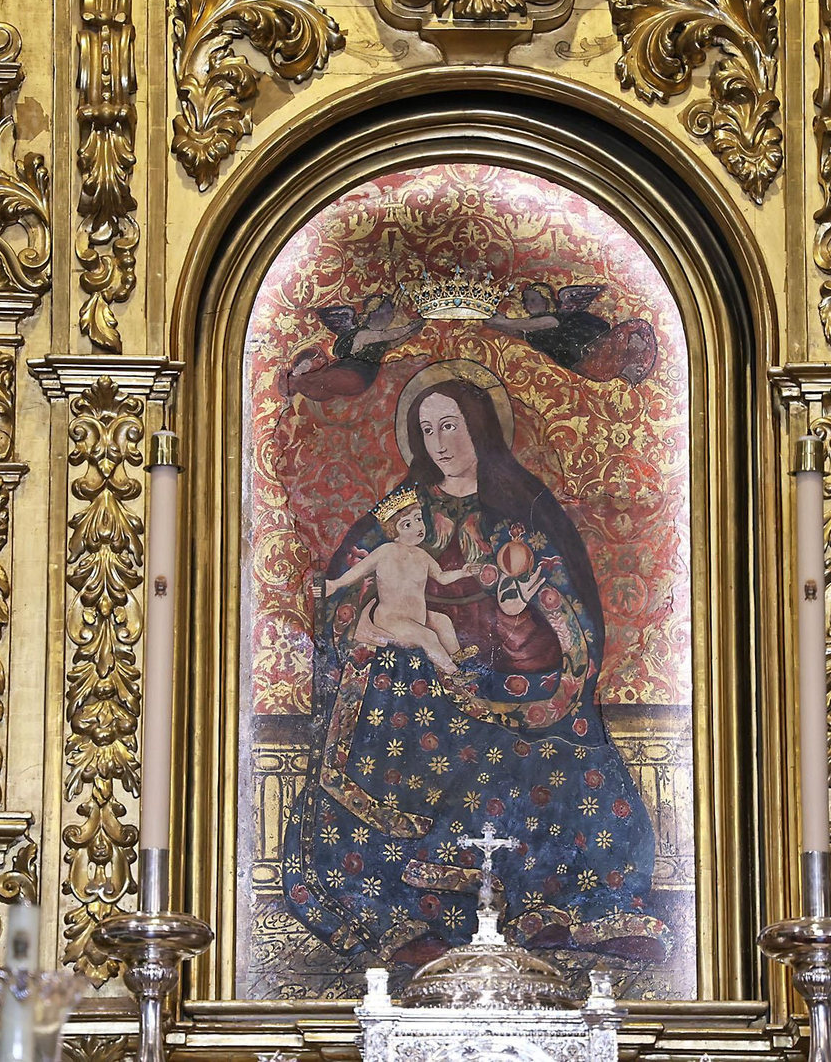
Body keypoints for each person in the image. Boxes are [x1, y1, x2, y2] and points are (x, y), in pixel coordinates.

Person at [282, 359, 671, 967]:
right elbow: (346, 588)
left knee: (568, 758)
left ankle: (566, 910)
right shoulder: (403, 512)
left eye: (451, 426)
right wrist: (360, 623)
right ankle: (413, 918)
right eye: (428, 429)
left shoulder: (523, 513)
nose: (439, 443)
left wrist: (520, 615)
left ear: (482, 429)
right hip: (418, 686)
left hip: (513, 683)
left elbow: (567, 610)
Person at [320, 487, 480, 673]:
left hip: (417, 617)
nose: (417, 527)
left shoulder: (423, 556)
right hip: (391, 621)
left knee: (442, 620)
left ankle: (456, 655)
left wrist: (462, 572)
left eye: (418, 519)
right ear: (393, 531)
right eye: (407, 525)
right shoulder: (386, 551)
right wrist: (335, 584)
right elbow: (358, 571)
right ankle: (454, 673)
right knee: (427, 636)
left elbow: (441, 577)